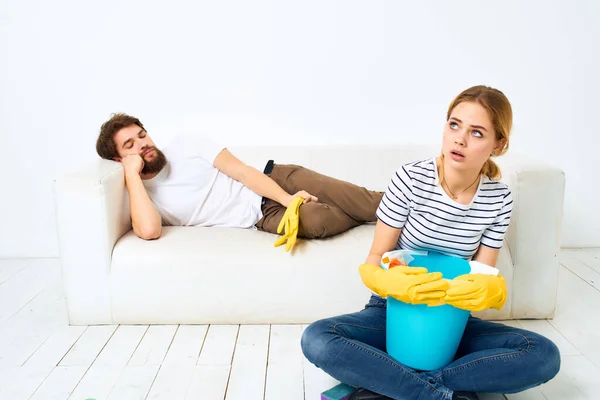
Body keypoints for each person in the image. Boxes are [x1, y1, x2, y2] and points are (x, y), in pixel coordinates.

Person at [301, 85, 561, 400]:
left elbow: (483, 273)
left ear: (499, 144)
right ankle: (441, 394)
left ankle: (385, 385)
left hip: (452, 318)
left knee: (544, 354)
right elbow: (376, 257)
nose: (459, 139)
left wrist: (491, 288)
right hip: (392, 311)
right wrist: (387, 283)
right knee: (317, 339)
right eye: (454, 125)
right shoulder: (410, 179)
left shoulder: (498, 198)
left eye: (477, 133)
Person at [95, 114, 383, 250]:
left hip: (273, 179)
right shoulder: (142, 195)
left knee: (371, 203)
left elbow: (244, 172)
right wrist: (132, 175)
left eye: (142, 135)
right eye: (129, 145)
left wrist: (288, 198)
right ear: (119, 160)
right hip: (260, 216)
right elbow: (149, 231)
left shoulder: (187, 144)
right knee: (319, 219)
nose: (143, 144)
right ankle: (366, 211)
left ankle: (422, 195)